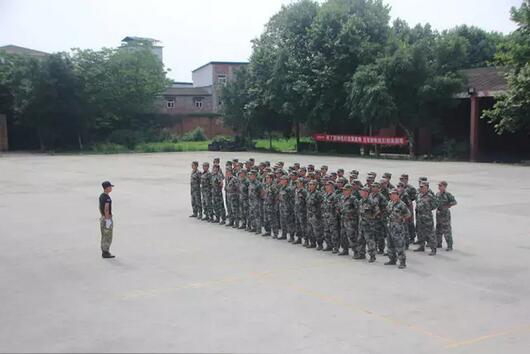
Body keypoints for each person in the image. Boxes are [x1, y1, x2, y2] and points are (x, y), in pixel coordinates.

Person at [386, 189, 411, 269]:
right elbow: (387, 212)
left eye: (393, 194)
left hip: (398, 227)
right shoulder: (390, 203)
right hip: (390, 225)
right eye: (390, 194)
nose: (391, 196)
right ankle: (392, 259)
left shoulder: (401, 204)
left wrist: (400, 219)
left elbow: (408, 214)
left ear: (397, 195)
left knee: (399, 245)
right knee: (390, 244)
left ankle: (402, 262)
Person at [414, 181, 438, 255]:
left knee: (430, 233)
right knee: (420, 232)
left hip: (427, 218)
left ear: (427, 187)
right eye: (420, 187)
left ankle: (433, 249)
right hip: (419, 217)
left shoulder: (430, 196)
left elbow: (435, 205)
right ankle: (421, 246)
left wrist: (427, 209)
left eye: (422, 187)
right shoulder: (418, 195)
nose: (420, 188)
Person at [356, 186, 380, 262]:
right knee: (360, 240)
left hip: (368, 225)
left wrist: (372, 217)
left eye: (362, 191)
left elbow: (377, 211)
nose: (361, 193)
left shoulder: (371, 201)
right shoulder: (360, 201)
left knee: (370, 241)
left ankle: (372, 256)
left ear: (366, 192)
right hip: (361, 224)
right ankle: (361, 254)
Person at [435, 181, 457, 251]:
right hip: (438, 214)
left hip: (445, 215)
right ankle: (439, 243)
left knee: (447, 230)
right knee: (438, 230)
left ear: (444, 186)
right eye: (438, 185)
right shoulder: (437, 194)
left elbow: (454, 202)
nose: (439, 187)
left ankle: (449, 245)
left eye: (440, 185)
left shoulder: (448, 194)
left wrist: (448, 205)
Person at [340, 184, 359, 257]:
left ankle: (356, 252)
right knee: (343, 236)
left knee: (352, 237)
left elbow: (357, 210)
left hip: (351, 221)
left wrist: (350, 212)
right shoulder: (342, 198)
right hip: (343, 219)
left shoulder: (353, 199)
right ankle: (345, 250)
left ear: (350, 191)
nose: (344, 191)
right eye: (343, 190)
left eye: (346, 190)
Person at [99, 181, 115, 259]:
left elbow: (100, 207)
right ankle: (106, 252)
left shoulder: (101, 196)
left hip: (102, 218)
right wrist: (108, 219)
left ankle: (104, 251)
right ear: (107, 188)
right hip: (106, 218)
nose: (111, 188)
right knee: (107, 236)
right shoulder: (107, 198)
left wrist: (103, 216)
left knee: (103, 235)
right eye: (110, 187)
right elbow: (106, 209)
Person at [322, 181, 339, 252]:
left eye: (328, 185)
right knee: (326, 232)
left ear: (332, 186)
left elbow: (337, 207)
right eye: (326, 185)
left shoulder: (334, 196)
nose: (326, 186)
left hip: (332, 217)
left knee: (334, 233)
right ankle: (329, 245)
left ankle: (336, 247)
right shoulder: (325, 195)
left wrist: (335, 216)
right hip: (326, 216)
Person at [306, 180, 323, 249]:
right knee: (310, 230)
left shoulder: (318, 193)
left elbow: (321, 204)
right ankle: (312, 243)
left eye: (312, 184)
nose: (310, 186)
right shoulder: (308, 193)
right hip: (309, 214)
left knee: (317, 230)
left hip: (315, 214)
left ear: (315, 186)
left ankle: (320, 244)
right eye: (309, 184)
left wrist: (318, 213)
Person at [278, 175, 296, 241]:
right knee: (282, 221)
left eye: (282, 179)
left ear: (286, 180)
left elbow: (292, 199)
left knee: (289, 222)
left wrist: (290, 207)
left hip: (288, 207)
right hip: (282, 206)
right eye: (281, 179)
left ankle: (291, 237)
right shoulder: (282, 187)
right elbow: (280, 196)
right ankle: (284, 234)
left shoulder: (289, 188)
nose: (281, 180)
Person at [263, 173, 280, 238]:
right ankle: (268, 231)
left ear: (271, 179)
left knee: (273, 220)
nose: (267, 179)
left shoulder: (273, 187)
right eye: (266, 178)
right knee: (266, 219)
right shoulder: (266, 185)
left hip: (271, 205)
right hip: (266, 204)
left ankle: (275, 233)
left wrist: (275, 206)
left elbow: (276, 197)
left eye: (268, 178)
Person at [294, 178, 308, 245]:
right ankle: (299, 238)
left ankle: (306, 240)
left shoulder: (304, 191)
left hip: (302, 211)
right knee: (297, 225)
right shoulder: (296, 190)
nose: (297, 184)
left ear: (302, 183)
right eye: (296, 183)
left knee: (303, 226)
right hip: (297, 210)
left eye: (298, 182)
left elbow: (307, 201)